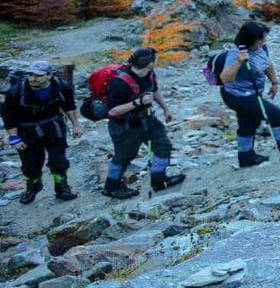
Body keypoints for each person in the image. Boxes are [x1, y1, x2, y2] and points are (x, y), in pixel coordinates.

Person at [218, 21, 280, 167]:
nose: (264, 41)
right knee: (277, 116)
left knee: (248, 123)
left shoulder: (260, 46)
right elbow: (225, 79)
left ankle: (246, 157)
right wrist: (239, 61)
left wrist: (274, 82)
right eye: (261, 39)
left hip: (252, 92)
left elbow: (267, 64)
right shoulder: (236, 53)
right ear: (250, 39)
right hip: (237, 96)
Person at [102, 47, 185, 198]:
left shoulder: (149, 74)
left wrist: (166, 109)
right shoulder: (120, 83)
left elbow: (154, 90)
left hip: (148, 119)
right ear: (151, 63)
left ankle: (159, 181)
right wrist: (138, 102)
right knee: (124, 156)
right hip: (125, 126)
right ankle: (111, 187)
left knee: (163, 146)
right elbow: (112, 111)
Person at [2, 61, 83, 203]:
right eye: (30, 74)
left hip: (54, 127)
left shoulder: (61, 86)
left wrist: (76, 125)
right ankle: (33, 186)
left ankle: (62, 187)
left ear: (49, 75)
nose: (32, 78)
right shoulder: (16, 92)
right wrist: (14, 138)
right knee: (30, 165)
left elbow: (69, 105)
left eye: (38, 75)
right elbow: (9, 117)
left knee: (59, 161)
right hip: (27, 131)